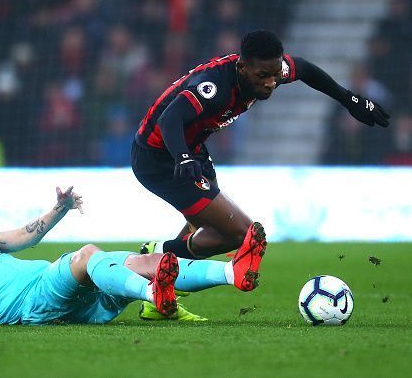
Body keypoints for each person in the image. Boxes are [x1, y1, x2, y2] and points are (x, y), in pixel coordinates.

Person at [132, 29, 390, 320]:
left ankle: (159, 273)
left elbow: (303, 67)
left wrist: (349, 100)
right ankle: (155, 256)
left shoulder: (269, 70)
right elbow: (170, 119)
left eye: (275, 75)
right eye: (262, 76)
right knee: (240, 234)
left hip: (192, 150)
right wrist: (183, 156)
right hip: (159, 157)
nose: (270, 83)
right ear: (242, 67)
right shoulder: (213, 86)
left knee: (208, 229)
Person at [0, 186, 266, 326]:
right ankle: (156, 297)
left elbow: (22, 238)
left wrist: (57, 210)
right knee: (88, 255)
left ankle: (234, 271)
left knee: (139, 260)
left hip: (63, 299)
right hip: (35, 304)